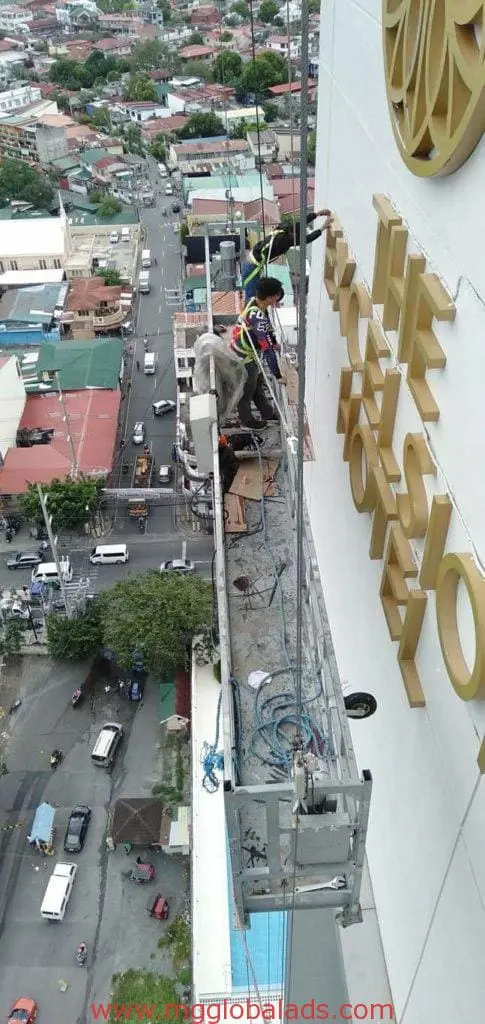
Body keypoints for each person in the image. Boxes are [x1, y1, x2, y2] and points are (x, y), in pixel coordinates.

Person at [242, 209, 332, 301]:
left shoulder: (282, 229)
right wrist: (323, 227)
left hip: (251, 262)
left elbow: (301, 223)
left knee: (255, 298)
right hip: (252, 267)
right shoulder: (285, 240)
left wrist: (318, 214)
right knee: (252, 300)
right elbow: (307, 239)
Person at [230, 277, 285, 429]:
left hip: (243, 352)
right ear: (270, 297)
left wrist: (274, 342)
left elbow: (268, 332)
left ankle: (267, 413)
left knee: (257, 384)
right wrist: (278, 375)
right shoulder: (258, 318)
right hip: (244, 357)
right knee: (247, 390)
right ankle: (247, 421)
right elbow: (267, 350)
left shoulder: (254, 302)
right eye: (276, 296)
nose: (278, 299)